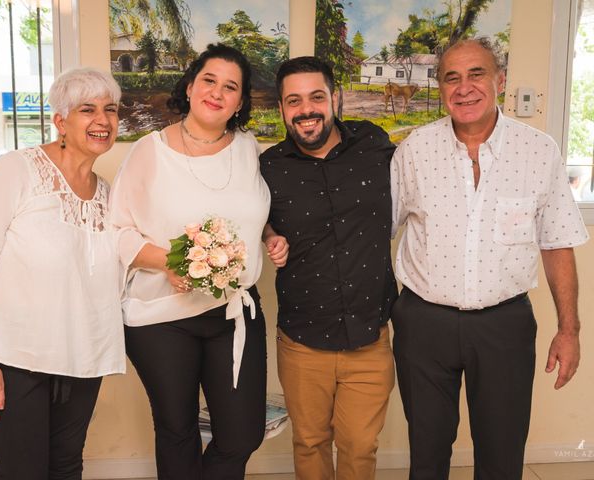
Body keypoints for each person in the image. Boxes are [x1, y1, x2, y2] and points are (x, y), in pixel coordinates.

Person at [391, 38, 589, 480]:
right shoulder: (413, 151)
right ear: (440, 88)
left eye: (476, 74)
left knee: (502, 454)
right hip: (423, 323)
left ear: (500, 80)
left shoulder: (539, 152)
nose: (464, 88)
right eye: (452, 78)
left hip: (505, 325)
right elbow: (376, 232)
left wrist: (569, 330)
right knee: (426, 450)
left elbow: (557, 242)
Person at [108, 43, 288, 480]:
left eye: (231, 87)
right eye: (209, 80)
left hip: (234, 313)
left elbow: (252, 210)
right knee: (177, 431)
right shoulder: (148, 151)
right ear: (189, 87)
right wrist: (165, 262)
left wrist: (269, 235)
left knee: (242, 434)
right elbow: (118, 229)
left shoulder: (248, 149)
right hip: (160, 318)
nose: (217, 93)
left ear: (240, 102)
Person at [0, 67, 126, 479]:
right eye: (88, 110)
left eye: (111, 110)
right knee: (22, 471)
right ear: (61, 121)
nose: (102, 121)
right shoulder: (17, 171)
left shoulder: (108, 193)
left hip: (82, 362)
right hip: (18, 361)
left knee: (67, 467)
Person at [260, 56, 397, 480]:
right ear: (282, 109)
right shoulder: (268, 167)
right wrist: (268, 234)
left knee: (359, 447)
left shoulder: (374, 144)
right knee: (310, 442)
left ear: (334, 97)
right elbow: (245, 212)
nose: (307, 110)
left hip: (369, 337)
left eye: (317, 96)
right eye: (294, 101)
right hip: (302, 340)